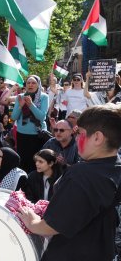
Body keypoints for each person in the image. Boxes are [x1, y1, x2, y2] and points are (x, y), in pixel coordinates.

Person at [17, 104, 121, 261]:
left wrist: (33, 222)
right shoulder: (116, 165)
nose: (77, 138)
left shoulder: (81, 175)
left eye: (80, 133)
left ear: (97, 137)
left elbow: (51, 226)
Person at [11, 75, 49, 173]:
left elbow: (42, 117)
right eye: (28, 83)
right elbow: (14, 117)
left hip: (37, 136)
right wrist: (21, 106)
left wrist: (31, 105)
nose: (30, 85)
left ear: (38, 85)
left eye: (33, 83)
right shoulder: (20, 97)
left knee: (36, 164)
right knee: (23, 164)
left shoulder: (44, 97)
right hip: (22, 135)